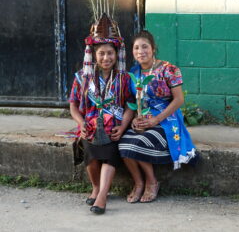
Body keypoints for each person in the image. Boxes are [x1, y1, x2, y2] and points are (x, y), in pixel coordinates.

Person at [119, 30, 198, 203]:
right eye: (137, 48)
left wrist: (156, 119)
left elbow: (179, 100)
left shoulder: (169, 70)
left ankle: (152, 182)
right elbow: (132, 101)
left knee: (139, 143)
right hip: (143, 118)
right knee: (123, 145)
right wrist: (134, 119)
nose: (141, 51)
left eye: (145, 47)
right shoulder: (134, 73)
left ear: (153, 49)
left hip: (165, 120)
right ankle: (139, 183)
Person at [69, 14, 134, 215]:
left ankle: (102, 196)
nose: (106, 58)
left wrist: (122, 127)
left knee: (111, 150)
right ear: (94, 56)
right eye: (102, 54)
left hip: (114, 126)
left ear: (116, 54)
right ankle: (96, 187)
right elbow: (73, 105)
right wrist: (81, 124)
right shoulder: (82, 78)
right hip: (90, 126)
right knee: (88, 146)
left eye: (110, 53)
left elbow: (131, 106)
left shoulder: (124, 78)